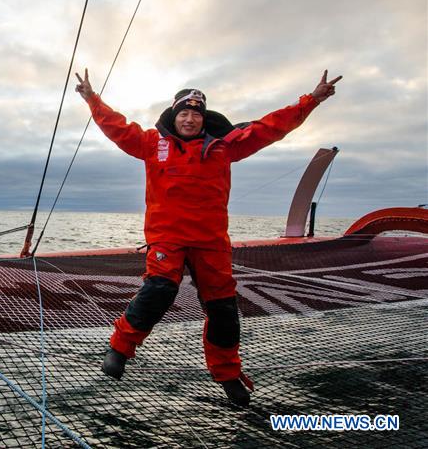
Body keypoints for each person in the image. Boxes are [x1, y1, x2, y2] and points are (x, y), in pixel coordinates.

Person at [75, 69, 341, 407]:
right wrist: (91, 98)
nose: (189, 119)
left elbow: (270, 127)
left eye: (196, 114)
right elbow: (116, 126)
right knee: (159, 290)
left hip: (211, 241)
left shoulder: (224, 147)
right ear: (174, 116)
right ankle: (120, 348)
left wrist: (312, 99)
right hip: (167, 237)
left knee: (223, 310)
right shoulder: (150, 143)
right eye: (183, 113)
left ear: (204, 119)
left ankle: (228, 374)